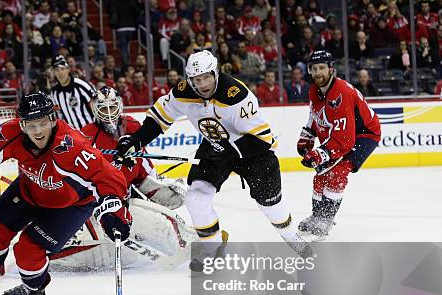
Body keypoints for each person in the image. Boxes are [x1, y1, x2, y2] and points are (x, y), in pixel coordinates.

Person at [114, 50, 310, 271]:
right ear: (189, 80)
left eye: (206, 77)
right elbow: (158, 120)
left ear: (216, 73)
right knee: (196, 198)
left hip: (254, 152)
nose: (202, 84)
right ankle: (212, 249)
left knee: (271, 206)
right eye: (196, 80)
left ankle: (294, 239)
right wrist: (135, 141)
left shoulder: (236, 96)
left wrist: (227, 151)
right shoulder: (183, 93)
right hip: (216, 146)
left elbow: (262, 140)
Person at [0, 92, 131, 295]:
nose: (38, 131)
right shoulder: (11, 132)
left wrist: (112, 208)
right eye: (31, 125)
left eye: (43, 123)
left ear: (53, 119)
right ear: (22, 124)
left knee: (27, 250)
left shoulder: (71, 147)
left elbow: (106, 176)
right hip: (30, 188)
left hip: (71, 204)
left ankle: (33, 290)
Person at [53, 86, 191, 267]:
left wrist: (157, 188)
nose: (109, 113)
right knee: (93, 250)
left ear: (120, 106)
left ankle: (190, 243)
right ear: (95, 110)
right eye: (104, 109)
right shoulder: (86, 137)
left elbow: (143, 170)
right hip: (96, 206)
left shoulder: (133, 128)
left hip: (127, 202)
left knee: (162, 225)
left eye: (112, 108)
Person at [296, 51, 380, 238]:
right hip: (343, 134)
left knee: (338, 170)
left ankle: (326, 219)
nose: (317, 72)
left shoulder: (340, 93)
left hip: (364, 135)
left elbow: (346, 140)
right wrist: (308, 135)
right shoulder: (314, 89)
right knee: (320, 174)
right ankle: (317, 215)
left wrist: (319, 153)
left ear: (331, 69)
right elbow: (314, 115)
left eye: (322, 68)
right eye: (314, 68)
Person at [50, 54, 97, 129]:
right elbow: (58, 115)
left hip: (90, 132)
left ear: (68, 69)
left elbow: (97, 105)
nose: (60, 73)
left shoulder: (81, 85)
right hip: (73, 136)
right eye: (57, 70)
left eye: (62, 69)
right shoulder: (54, 93)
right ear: (54, 72)